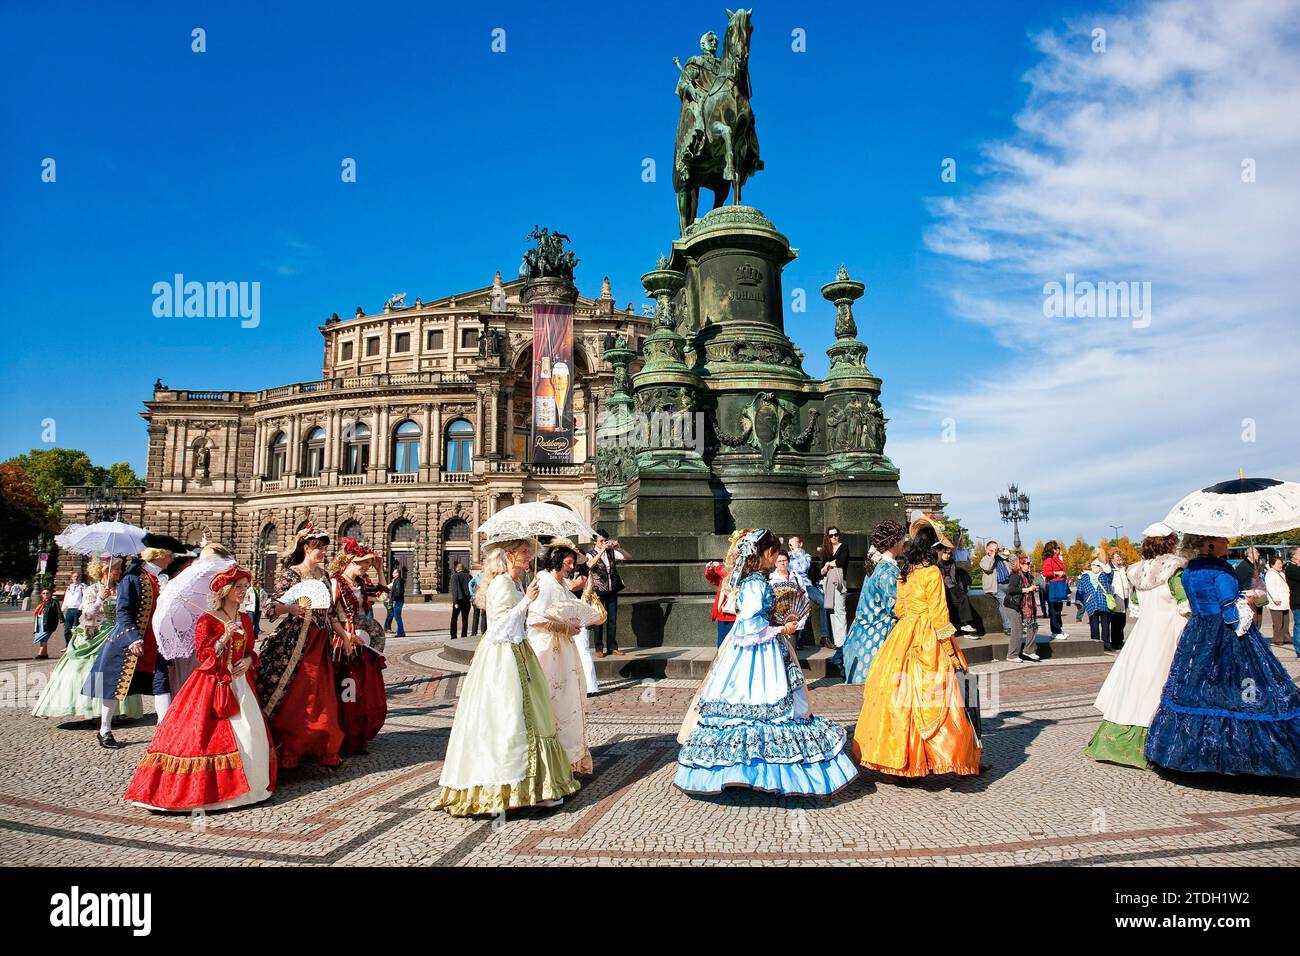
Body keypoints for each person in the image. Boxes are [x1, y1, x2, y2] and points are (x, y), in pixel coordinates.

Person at [675, 529, 859, 796]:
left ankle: (744, 771)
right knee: (766, 707)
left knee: (744, 712)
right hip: (758, 653)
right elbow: (752, 628)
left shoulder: (753, 581)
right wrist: (782, 630)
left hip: (750, 652)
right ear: (765, 554)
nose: (776, 557)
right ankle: (754, 772)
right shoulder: (756, 584)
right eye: (774, 552)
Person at [429, 539, 580, 816]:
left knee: (533, 716)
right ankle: (503, 789)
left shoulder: (519, 583)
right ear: (509, 556)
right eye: (524, 552)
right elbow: (498, 628)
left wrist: (527, 598)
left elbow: (521, 620)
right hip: (501, 659)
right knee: (508, 717)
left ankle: (538, 786)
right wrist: (527, 601)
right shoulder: (501, 584)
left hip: (519, 652)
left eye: (529, 552)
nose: (529, 556)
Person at [1145, 534, 1300, 777]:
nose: (1226, 544)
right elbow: (1228, 607)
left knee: (1199, 686)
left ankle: (1197, 750)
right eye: (1222, 541)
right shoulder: (1220, 569)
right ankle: (1245, 752)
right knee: (1242, 684)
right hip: (1226, 633)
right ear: (1208, 544)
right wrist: (1252, 596)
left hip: (1197, 632)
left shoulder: (1189, 570)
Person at [124, 566, 277, 812]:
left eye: (245, 587)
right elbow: (204, 656)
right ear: (225, 591)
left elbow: (250, 650)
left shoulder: (246, 619)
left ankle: (251, 788)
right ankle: (213, 793)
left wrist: (248, 661)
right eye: (238, 587)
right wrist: (223, 638)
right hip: (212, 683)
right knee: (202, 737)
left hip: (241, 685)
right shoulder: (207, 620)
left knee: (251, 735)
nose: (242, 592)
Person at [852, 517, 982, 779]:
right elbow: (939, 615)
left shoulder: (905, 572)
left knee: (899, 697)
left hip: (903, 634)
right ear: (933, 547)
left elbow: (900, 609)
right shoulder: (932, 572)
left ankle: (902, 760)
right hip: (927, 635)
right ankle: (939, 757)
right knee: (938, 696)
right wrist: (949, 651)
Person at [1085, 524, 1188, 769]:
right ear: (1170, 542)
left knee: (1136, 682)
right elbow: (1185, 604)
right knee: (1160, 681)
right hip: (1169, 631)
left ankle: (1116, 742)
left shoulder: (1136, 571)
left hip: (1143, 634)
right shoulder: (1174, 569)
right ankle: (1160, 745)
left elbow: (1136, 606)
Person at [257, 524, 345, 770]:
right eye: (319, 548)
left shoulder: (324, 576)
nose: (324, 553)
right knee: (297, 694)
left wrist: (345, 638)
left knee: (322, 694)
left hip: (320, 640)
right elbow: (271, 608)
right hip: (295, 641)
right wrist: (290, 608)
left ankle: (324, 747)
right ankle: (288, 748)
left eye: (326, 548)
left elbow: (330, 613)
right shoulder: (292, 574)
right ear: (306, 547)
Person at [82, 538, 176, 748]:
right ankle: (104, 730)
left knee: (162, 685)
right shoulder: (132, 578)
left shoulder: (162, 579)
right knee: (115, 686)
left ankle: (163, 733)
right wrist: (133, 638)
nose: (171, 558)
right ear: (157, 554)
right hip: (127, 641)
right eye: (168, 554)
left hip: (156, 644)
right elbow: (123, 612)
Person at [526, 540, 593, 776]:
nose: (571, 567)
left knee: (568, 703)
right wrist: (564, 628)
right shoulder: (544, 582)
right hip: (547, 651)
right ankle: (551, 763)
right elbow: (534, 619)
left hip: (564, 651)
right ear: (556, 559)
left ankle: (570, 759)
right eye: (568, 562)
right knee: (553, 704)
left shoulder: (561, 584)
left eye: (573, 563)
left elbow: (570, 610)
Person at [329, 539, 389, 756]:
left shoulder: (362, 582)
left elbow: (383, 595)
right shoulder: (336, 582)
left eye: (367, 563)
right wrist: (347, 636)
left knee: (365, 688)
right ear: (347, 560)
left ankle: (360, 732)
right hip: (344, 637)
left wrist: (380, 569)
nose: (365, 566)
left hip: (365, 638)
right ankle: (346, 735)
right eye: (361, 562)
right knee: (348, 687)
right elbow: (330, 613)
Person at [840, 520, 905, 685]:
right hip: (879, 639)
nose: (904, 542)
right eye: (902, 538)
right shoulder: (888, 572)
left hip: (863, 638)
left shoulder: (876, 567)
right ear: (895, 541)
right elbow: (896, 607)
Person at [586, 530, 628, 658]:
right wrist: (601, 551)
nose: (604, 543)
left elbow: (627, 557)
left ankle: (612, 647)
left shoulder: (611, 552)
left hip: (612, 589)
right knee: (599, 620)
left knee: (612, 620)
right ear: (595, 541)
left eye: (605, 540)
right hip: (598, 590)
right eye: (601, 541)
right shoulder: (589, 554)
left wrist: (619, 548)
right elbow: (590, 564)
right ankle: (599, 648)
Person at [703, 533, 742, 646]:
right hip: (724, 615)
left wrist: (718, 567)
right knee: (722, 646)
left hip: (737, 615)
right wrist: (709, 570)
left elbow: (731, 577)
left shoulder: (742, 569)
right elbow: (714, 580)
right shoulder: (725, 569)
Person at [937, 541, 981, 637]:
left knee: (963, 597)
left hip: (954, 587)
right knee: (953, 599)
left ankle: (966, 624)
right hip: (943, 588)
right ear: (940, 552)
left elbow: (955, 578)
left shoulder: (952, 563)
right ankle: (962, 626)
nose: (947, 555)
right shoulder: (937, 565)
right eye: (945, 552)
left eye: (949, 553)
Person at [786, 534, 823, 647]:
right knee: (798, 607)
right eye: (790, 544)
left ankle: (825, 635)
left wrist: (798, 554)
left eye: (794, 543)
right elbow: (789, 570)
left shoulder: (806, 556)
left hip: (806, 585)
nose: (791, 547)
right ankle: (799, 639)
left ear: (800, 544)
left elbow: (803, 568)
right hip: (794, 585)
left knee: (823, 601)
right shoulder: (787, 556)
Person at [1003, 554, 1041, 662]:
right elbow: (1011, 589)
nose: (1029, 565)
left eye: (1029, 563)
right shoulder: (1015, 575)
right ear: (1021, 564)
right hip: (1012, 605)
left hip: (1024, 605)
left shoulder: (1028, 575)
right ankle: (1012, 655)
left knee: (1033, 625)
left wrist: (1033, 588)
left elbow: (1029, 588)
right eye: (1027, 563)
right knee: (1017, 628)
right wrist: (1027, 589)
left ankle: (1029, 650)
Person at [819, 528, 850, 651]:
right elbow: (822, 570)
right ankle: (837, 641)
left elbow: (841, 562)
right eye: (831, 535)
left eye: (836, 535)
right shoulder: (826, 550)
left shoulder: (844, 547)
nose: (834, 537)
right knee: (832, 610)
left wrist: (828, 564)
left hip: (839, 580)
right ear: (828, 537)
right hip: (828, 581)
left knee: (840, 610)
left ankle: (842, 641)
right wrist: (827, 565)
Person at [1075, 558, 1116, 652]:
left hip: (1103, 602)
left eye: (1098, 565)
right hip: (1091, 602)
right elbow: (1080, 589)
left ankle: (1106, 643)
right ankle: (1095, 643)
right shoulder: (1085, 576)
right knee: (1093, 624)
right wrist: (1078, 601)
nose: (1095, 567)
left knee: (1105, 624)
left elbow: (1110, 575)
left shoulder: (1104, 575)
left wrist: (1102, 565)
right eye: (1094, 564)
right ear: (1090, 565)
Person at [979, 541, 1012, 635]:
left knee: (1015, 600)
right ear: (987, 550)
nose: (995, 550)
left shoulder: (1002, 558)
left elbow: (1015, 565)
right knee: (1004, 600)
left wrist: (1009, 555)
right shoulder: (985, 559)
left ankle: (1019, 623)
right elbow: (987, 568)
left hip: (1007, 584)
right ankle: (1007, 627)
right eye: (992, 549)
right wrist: (992, 555)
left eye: (996, 548)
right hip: (995, 586)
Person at [1041, 541, 1068, 638]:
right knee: (1053, 609)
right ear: (1053, 549)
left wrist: (1057, 556)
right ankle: (1055, 630)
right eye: (1057, 548)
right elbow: (1045, 573)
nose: (1058, 549)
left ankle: (1059, 629)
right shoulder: (1048, 560)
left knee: (1058, 608)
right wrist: (1056, 573)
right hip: (1052, 585)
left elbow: (1063, 566)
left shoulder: (1055, 558)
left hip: (1058, 585)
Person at [1265, 554, 1292, 648]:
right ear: (1272, 564)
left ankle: (1286, 637)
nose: (1281, 565)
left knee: (1286, 621)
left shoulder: (1281, 573)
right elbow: (1270, 588)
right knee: (1278, 622)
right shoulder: (1270, 574)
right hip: (1277, 601)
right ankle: (1278, 639)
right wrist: (1275, 598)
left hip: (1284, 601)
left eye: (1281, 563)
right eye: (1278, 563)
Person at [1109, 549, 1131, 648]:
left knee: (1122, 620)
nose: (1119, 558)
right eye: (1117, 557)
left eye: (1119, 556)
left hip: (1125, 596)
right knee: (1116, 620)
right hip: (1116, 596)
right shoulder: (1110, 569)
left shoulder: (1122, 568)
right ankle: (1115, 641)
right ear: (1112, 558)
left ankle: (1120, 639)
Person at [32, 587, 61, 660]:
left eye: (47, 593)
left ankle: (40, 653)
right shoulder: (41, 602)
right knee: (43, 639)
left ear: (50, 594)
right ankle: (44, 654)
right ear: (41, 594)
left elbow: (59, 612)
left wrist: (62, 621)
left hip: (48, 623)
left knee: (43, 637)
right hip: (39, 624)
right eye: (44, 593)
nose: (45, 595)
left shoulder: (54, 602)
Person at [449, 561, 472, 641]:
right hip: (466, 601)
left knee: (454, 619)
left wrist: (455, 602)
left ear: (456, 569)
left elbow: (454, 590)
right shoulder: (469, 576)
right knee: (465, 619)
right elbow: (472, 588)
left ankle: (453, 635)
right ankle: (464, 635)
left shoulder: (454, 576)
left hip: (458, 601)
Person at [383, 564, 406, 637]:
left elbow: (398, 591)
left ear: (397, 574)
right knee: (397, 617)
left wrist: (393, 598)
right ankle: (400, 632)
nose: (392, 574)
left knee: (397, 617)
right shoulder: (396, 580)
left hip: (397, 601)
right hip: (396, 600)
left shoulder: (398, 581)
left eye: (394, 572)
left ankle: (400, 632)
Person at [62, 572, 86, 642]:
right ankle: (68, 645)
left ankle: (74, 645)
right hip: (69, 610)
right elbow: (66, 598)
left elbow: (85, 598)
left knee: (76, 629)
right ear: (72, 578)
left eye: (77, 576)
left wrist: (80, 607)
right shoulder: (69, 587)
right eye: (74, 576)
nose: (76, 578)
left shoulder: (83, 586)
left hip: (77, 610)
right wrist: (63, 608)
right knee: (67, 629)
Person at [1286, 546, 1300, 658]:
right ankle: (1299, 650)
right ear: (1295, 556)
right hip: (1298, 602)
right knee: (1299, 626)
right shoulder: (1291, 568)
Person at [468, 568, 485, 636]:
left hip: (476, 596)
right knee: (484, 615)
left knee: (475, 615)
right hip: (484, 596)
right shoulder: (488, 577)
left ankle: (474, 632)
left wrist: (472, 592)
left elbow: (469, 584)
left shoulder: (477, 576)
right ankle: (483, 632)